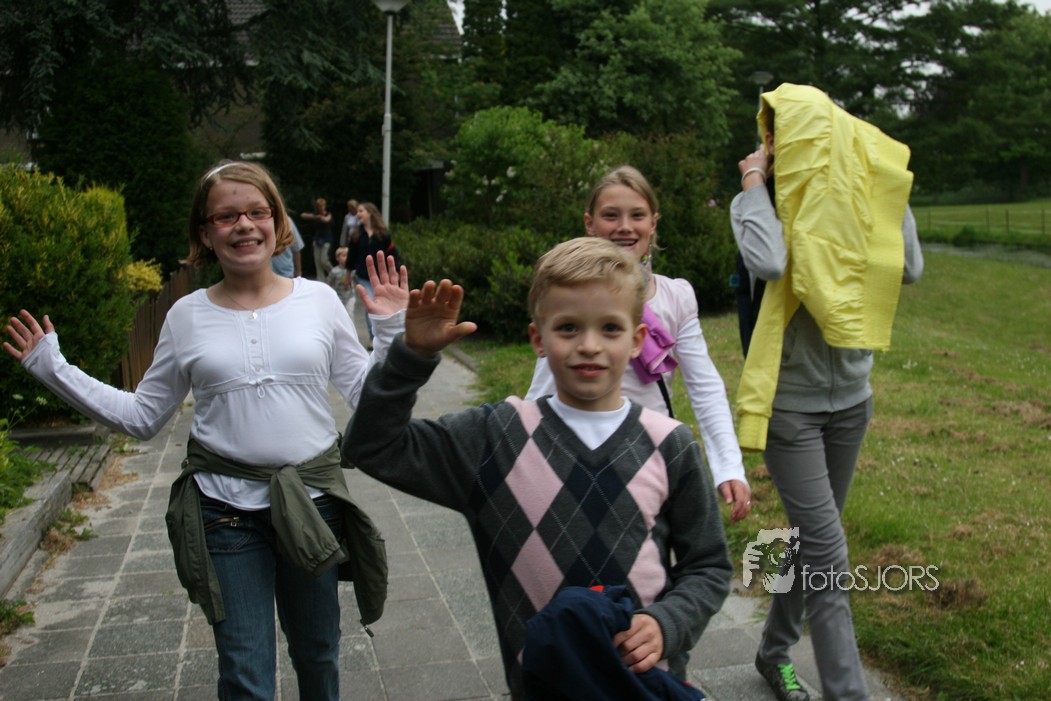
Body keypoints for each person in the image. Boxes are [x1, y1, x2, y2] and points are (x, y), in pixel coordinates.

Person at [4, 160, 410, 701]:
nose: (244, 225)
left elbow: (368, 398)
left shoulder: (318, 301)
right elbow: (143, 418)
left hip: (314, 505)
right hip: (224, 513)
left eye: (257, 212)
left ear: (277, 222)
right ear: (204, 233)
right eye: (226, 216)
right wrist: (53, 368)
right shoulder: (186, 315)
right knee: (245, 672)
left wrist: (390, 331)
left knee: (318, 654)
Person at [343, 238, 733, 699]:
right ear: (538, 339)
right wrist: (410, 356)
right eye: (568, 328)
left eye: (610, 328)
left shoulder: (671, 445)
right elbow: (373, 446)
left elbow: (708, 565)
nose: (589, 345)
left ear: (637, 340)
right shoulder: (494, 438)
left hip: (646, 686)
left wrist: (668, 622)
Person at [730, 83, 924, 701]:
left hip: (852, 402)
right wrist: (754, 183)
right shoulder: (758, 203)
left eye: (782, 131)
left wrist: (884, 185)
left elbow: (909, 267)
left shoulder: (861, 199)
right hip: (790, 408)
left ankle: (773, 651)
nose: (772, 141)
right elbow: (770, 263)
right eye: (769, 131)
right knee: (827, 554)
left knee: (811, 541)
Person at [526, 165, 751, 524]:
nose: (625, 226)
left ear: (653, 223)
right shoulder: (570, 297)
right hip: (576, 456)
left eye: (637, 215)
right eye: (611, 215)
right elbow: (543, 387)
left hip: (650, 456)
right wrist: (522, 458)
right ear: (589, 223)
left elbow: (705, 387)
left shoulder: (675, 298)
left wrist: (728, 466)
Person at [348, 201, 399, 341]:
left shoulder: (382, 234)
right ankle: (373, 337)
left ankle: (382, 332)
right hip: (363, 276)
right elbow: (351, 257)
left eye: (361, 211)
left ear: (370, 213)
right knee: (370, 304)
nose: (358, 214)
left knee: (381, 304)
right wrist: (347, 274)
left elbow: (392, 253)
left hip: (381, 276)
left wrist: (395, 270)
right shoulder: (356, 235)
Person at [301, 196, 334, 281]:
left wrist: (321, 217)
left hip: (327, 239)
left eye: (322, 206)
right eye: (319, 206)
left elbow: (327, 220)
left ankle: (334, 273)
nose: (321, 207)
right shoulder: (316, 214)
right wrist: (315, 217)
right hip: (317, 239)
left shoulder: (328, 214)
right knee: (318, 263)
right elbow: (303, 215)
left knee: (324, 260)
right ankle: (321, 281)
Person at [327, 245, 355, 317]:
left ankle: (349, 324)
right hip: (338, 296)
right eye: (344, 255)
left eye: (348, 256)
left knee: (349, 314)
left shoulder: (353, 270)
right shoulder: (334, 271)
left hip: (350, 296)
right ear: (337, 258)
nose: (346, 258)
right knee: (339, 315)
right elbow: (329, 283)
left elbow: (357, 281)